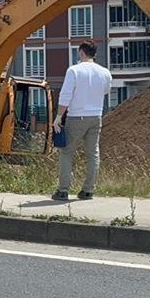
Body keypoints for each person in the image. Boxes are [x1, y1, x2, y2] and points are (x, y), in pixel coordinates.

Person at [51, 41, 112, 201]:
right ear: (94, 54)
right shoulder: (105, 72)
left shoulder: (74, 71)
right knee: (93, 154)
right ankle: (88, 190)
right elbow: (106, 91)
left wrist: (58, 117)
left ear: (81, 53)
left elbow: (65, 96)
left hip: (76, 116)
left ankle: (63, 190)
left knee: (66, 152)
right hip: (96, 116)